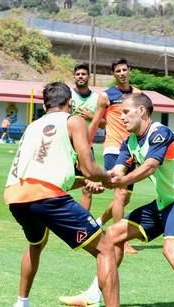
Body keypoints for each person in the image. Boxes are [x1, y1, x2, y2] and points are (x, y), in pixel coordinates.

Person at [59, 93, 174, 307]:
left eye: (125, 112)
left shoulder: (160, 133)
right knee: (112, 235)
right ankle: (93, 295)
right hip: (165, 202)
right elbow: (118, 171)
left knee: (172, 249)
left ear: (141, 111)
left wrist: (116, 182)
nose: (120, 117)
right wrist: (99, 181)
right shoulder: (130, 142)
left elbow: (150, 166)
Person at [4, 82, 147, 307]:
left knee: (36, 243)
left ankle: (21, 303)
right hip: (46, 197)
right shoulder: (74, 121)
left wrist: (84, 182)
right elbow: (90, 167)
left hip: (16, 196)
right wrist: (109, 178)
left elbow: (46, 173)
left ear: (43, 105)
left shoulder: (32, 126)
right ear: (70, 103)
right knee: (106, 248)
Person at [87, 58, 139, 254]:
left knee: (124, 199)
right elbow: (95, 122)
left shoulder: (138, 95)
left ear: (130, 71)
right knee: (121, 193)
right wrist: (85, 144)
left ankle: (98, 222)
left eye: (125, 69)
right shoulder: (106, 96)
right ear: (114, 74)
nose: (122, 73)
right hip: (114, 148)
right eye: (118, 71)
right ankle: (120, 240)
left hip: (132, 151)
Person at [71, 63, 101, 210]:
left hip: (87, 146)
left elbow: (105, 122)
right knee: (59, 182)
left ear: (89, 77)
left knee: (88, 186)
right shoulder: (68, 95)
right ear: (74, 77)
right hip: (67, 145)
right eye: (78, 74)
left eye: (83, 74)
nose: (80, 76)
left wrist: (92, 116)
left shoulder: (97, 98)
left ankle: (84, 224)